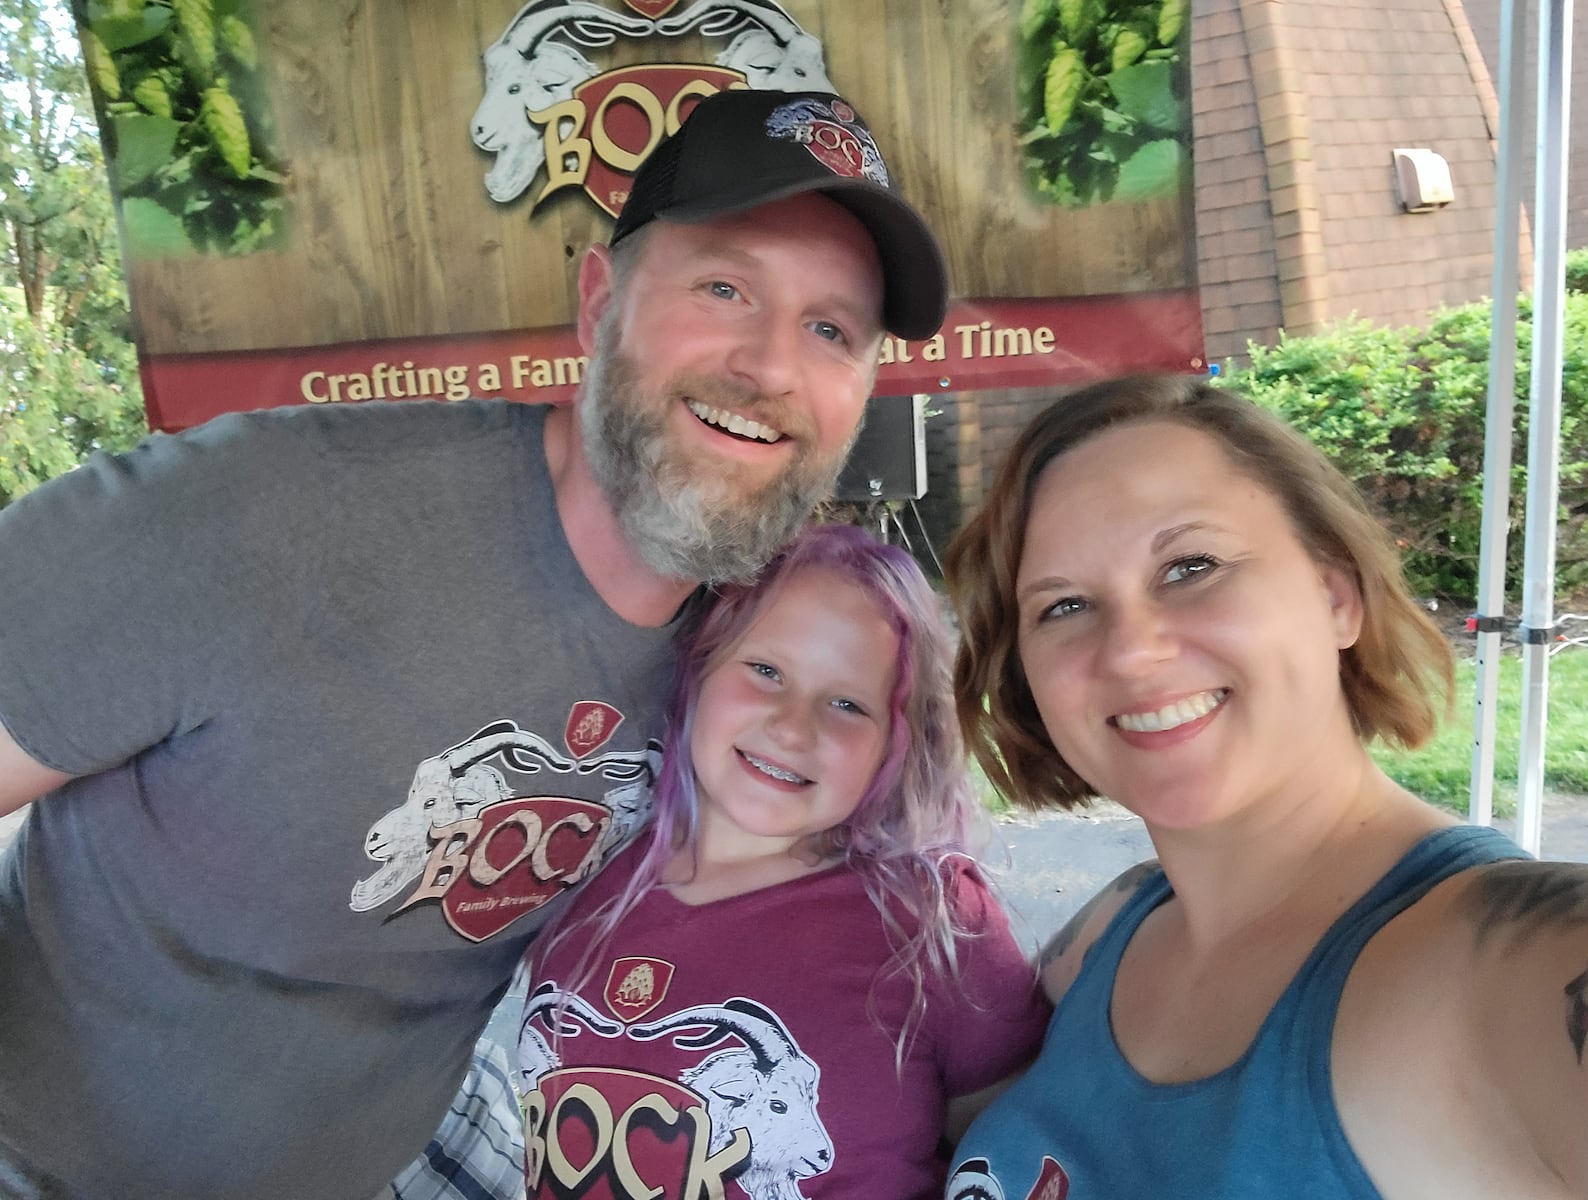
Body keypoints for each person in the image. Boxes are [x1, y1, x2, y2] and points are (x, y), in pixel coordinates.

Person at [0, 88, 948, 1200]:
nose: (772, 366)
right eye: (724, 286)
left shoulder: (760, 644)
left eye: (831, 329)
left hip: (402, 1153)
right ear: (600, 304)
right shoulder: (257, 514)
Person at [940, 374, 1588, 1199]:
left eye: (1191, 566)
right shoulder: (1109, 930)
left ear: (1336, 596)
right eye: (1065, 605)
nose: (1130, 652)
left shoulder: (1500, 963)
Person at [514, 523, 1048, 1199]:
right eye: (766, 670)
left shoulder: (933, 923)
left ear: (897, 742)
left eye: (848, 703)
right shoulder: (581, 876)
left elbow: (1015, 1152)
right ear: (699, 667)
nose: (795, 726)